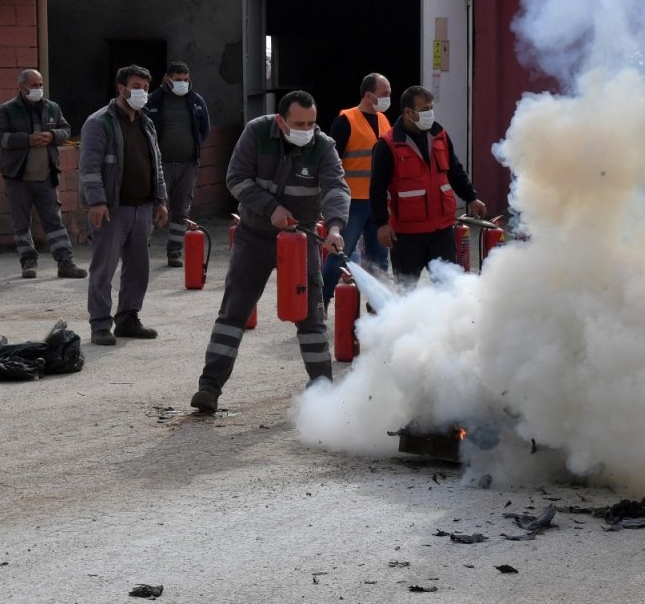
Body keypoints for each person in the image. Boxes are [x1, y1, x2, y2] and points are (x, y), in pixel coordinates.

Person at [190, 90, 348, 413]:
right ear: (281, 121)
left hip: (300, 241)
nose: (308, 129)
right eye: (299, 123)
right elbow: (235, 178)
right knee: (234, 312)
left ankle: (322, 389)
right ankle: (209, 387)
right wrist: (271, 208)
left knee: (311, 318)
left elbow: (336, 187)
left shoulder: (323, 146)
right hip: (254, 237)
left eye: (312, 123)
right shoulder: (257, 133)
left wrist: (334, 227)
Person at [80, 64, 168, 346]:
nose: (141, 92)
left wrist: (160, 199)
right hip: (112, 209)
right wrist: (96, 201)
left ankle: (128, 318)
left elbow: (156, 165)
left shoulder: (147, 123)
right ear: (121, 88)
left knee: (138, 268)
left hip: (142, 208)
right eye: (136, 86)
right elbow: (90, 168)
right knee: (104, 268)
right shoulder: (99, 123)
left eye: (145, 87)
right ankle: (100, 325)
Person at [370, 85, 485, 284]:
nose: (430, 114)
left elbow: (455, 170)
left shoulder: (440, 135)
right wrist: (381, 224)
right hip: (407, 235)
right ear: (408, 112)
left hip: (441, 231)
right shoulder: (388, 144)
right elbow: (377, 187)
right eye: (424, 110)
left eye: (431, 108)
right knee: (406, 290)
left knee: (448, 288)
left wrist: (471, 197)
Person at [0, 69, 86, 280]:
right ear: (21, 87)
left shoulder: (51, 108)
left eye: (40, 84)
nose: (38, 89)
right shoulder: (8, 110)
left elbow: (66, 130)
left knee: (54, 222)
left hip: (46, 177)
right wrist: (27, 139)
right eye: (34, 86)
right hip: (18, 178)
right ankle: (28, 263)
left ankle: (66, 263)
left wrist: (51, 136)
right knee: (21, 223)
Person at [321, 72, 393, 306]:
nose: (388, 98)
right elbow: (330, 163)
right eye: (385, 94)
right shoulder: (346, 120)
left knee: (379, 259)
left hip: (378, 202)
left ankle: (377, 307)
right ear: (369, 95)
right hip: (351, 203)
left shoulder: (384, 120)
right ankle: (322, 301)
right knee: (339, 255)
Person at [145, 61, 211, 267]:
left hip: (188, 164)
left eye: (185, 79)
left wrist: (193, 147)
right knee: (153, 206)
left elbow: (204, 128)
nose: (182, 83)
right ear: (167, 79)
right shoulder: (154, 100)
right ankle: (141, 249)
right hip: (159, 164)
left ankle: (174, 251)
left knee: (181, 209)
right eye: (177, 79)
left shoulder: (196, 101)